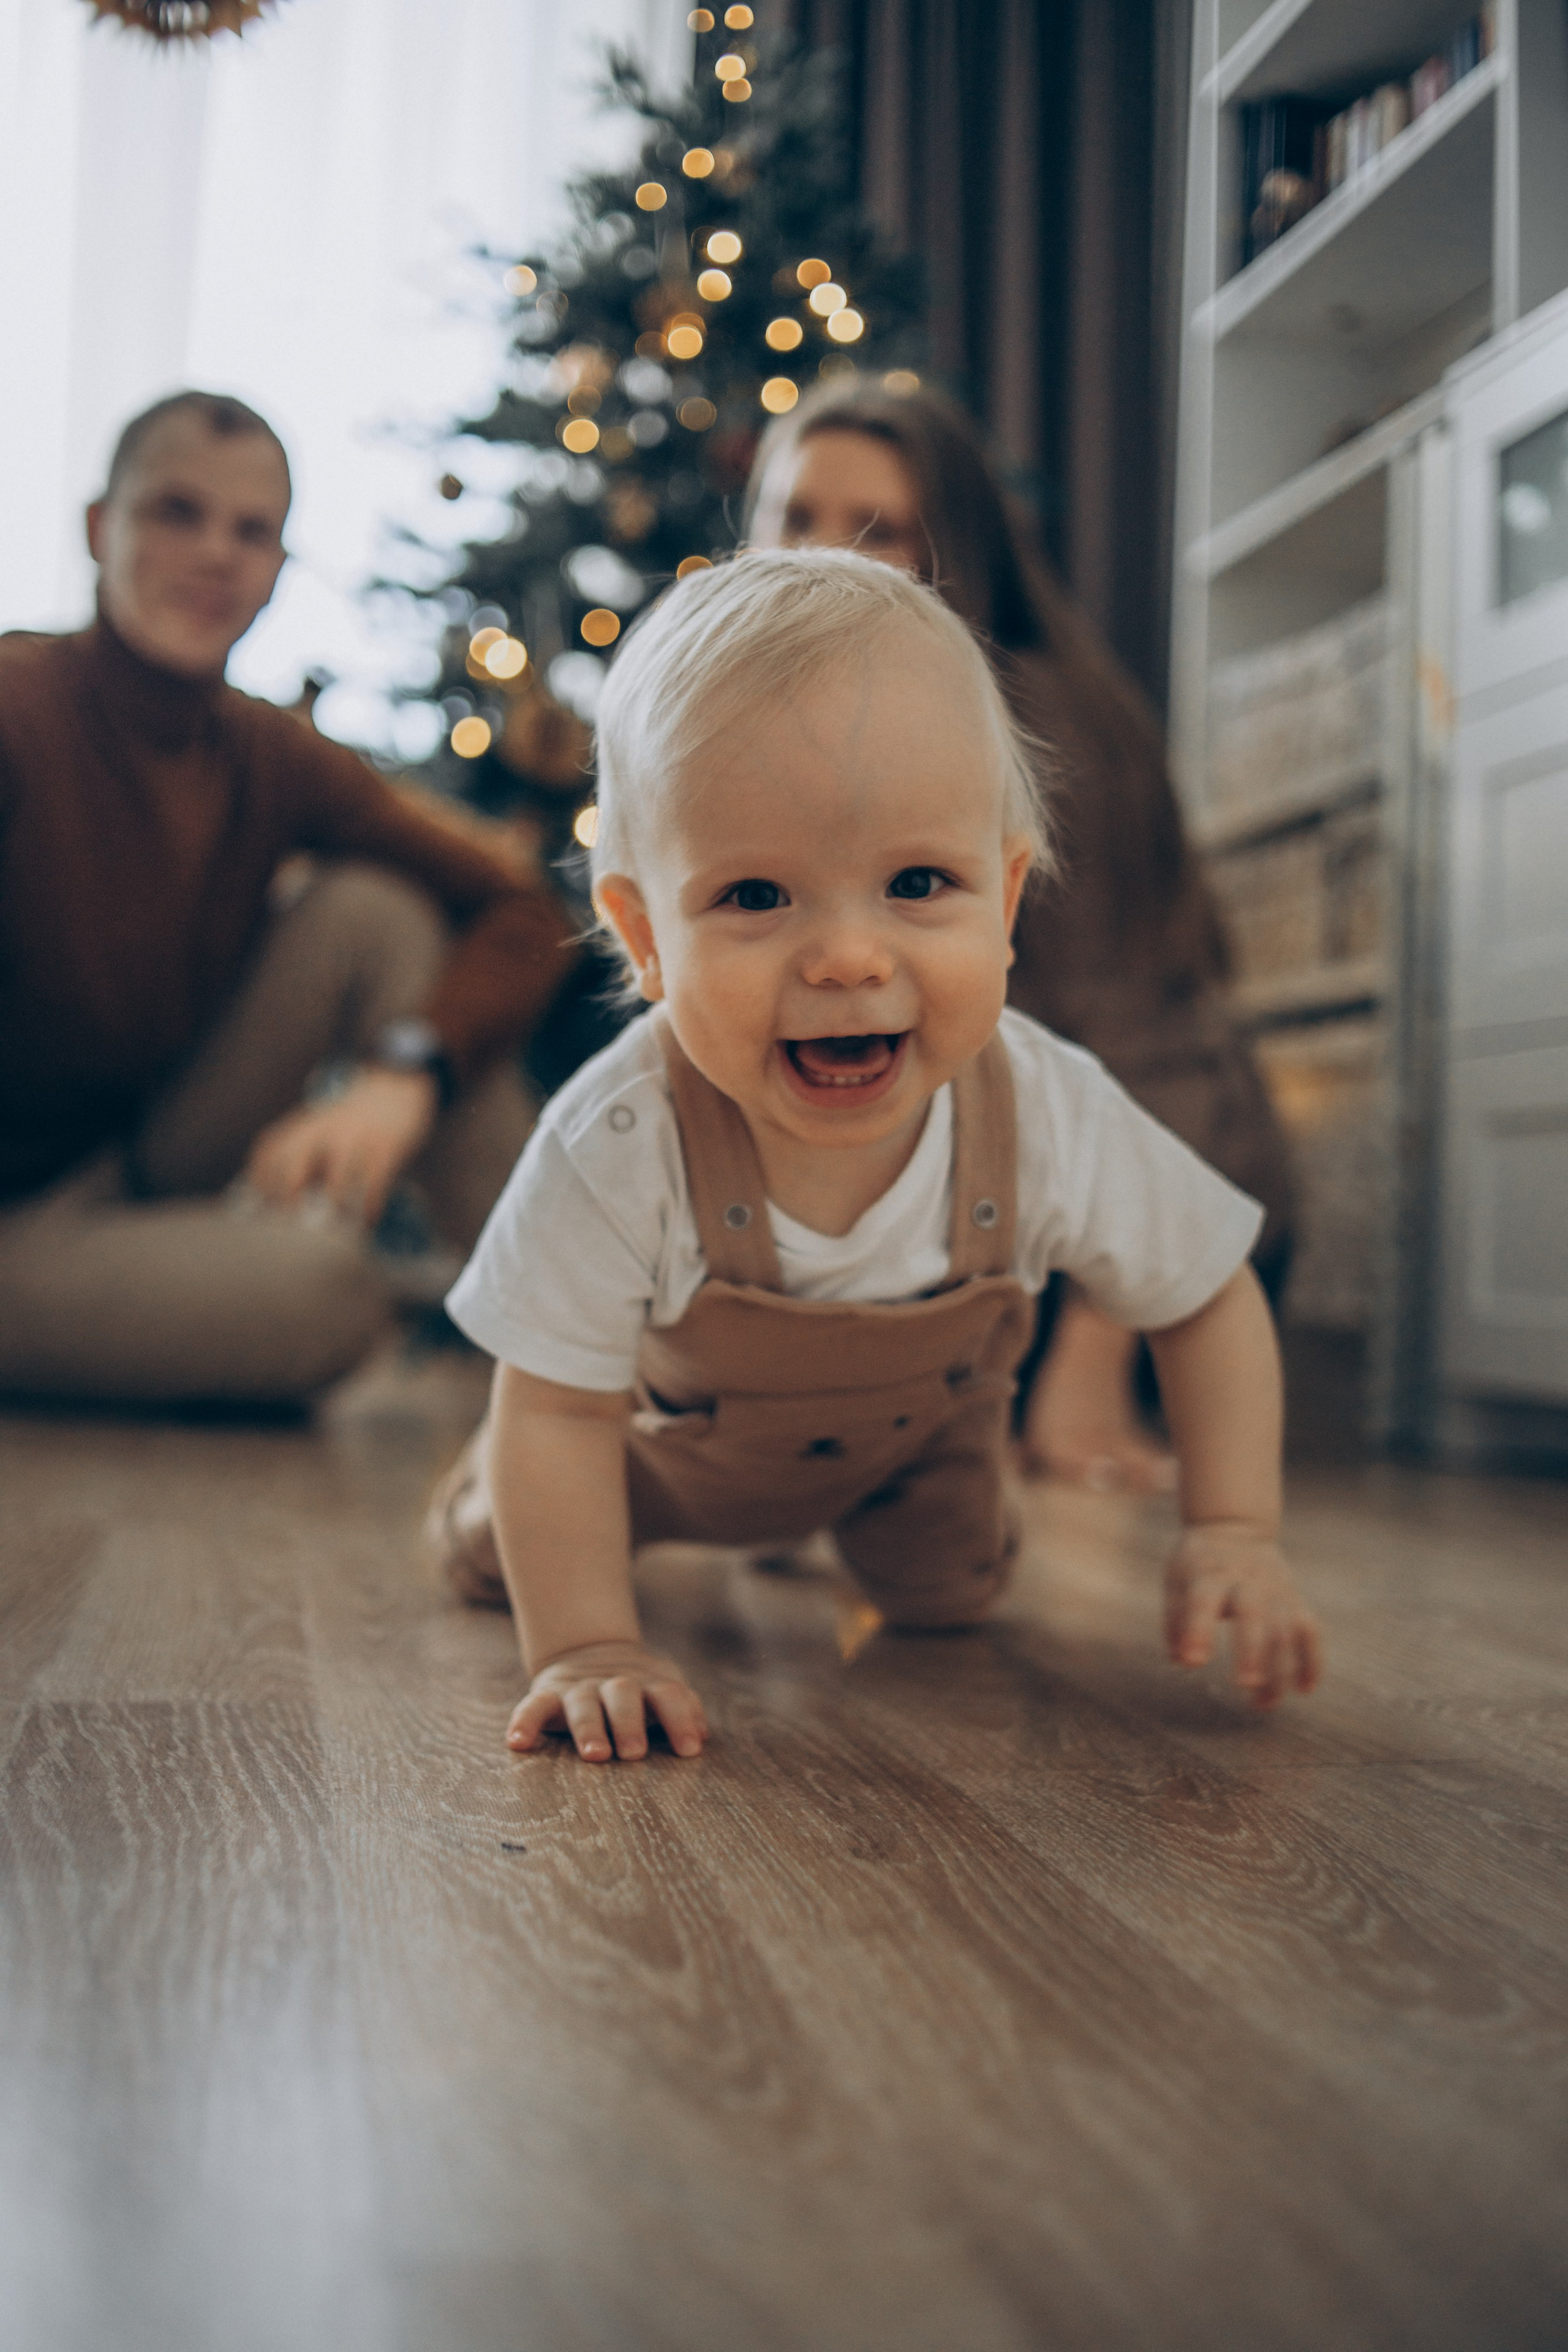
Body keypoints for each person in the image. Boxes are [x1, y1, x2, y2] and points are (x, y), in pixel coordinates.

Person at [431, 550, 1321, 1764]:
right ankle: (486, 1504)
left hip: (916, 1450)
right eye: (754, 896)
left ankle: (871, 1526)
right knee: (513, 1544)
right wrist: (586, 1647)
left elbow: (1205, 1295)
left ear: (1004, 903)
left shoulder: (1042, 1107)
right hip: (651, 1459)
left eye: (916, 882)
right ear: (644, 935)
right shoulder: (621, 1136)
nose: (846, 959)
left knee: (953, 1597)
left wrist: (1231, 1527)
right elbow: (556, 1409)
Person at [745, 382, 1295, 1494]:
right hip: (937, 1210)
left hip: (1144, 1211)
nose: (825, 559)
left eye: (876, 531)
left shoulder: (1041, 723)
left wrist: (1099, 1349)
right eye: (795, 518)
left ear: (950, 550)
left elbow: (1155, 1046)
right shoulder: (763, 730)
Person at [0, 390, 577, 1404]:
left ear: (277, 569)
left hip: (144, 1154)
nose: (217, 553)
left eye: (252, 532)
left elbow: (523, 909)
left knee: (375, 912)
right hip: (22, 1218)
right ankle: (583, 1351)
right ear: (101, 528)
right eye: (177, 512)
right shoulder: (19, 711)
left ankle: (585, 1331)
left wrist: (409, 1072)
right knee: (330, 1297)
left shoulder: (269, 755)